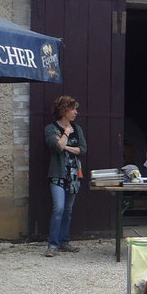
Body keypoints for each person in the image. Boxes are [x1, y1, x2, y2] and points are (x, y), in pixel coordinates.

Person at [44, 95, 86, 257]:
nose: (76, 112)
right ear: (64, 111)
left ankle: (64, 242)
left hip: (74, 176)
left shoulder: (78, 128)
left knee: (68, 210)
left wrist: (65, 146)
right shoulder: (51, 128)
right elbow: (56, 147)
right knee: (59, 208)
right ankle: (52, 245)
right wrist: (67, 133)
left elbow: (82, 149)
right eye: (73, 109)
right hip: (57, 175)